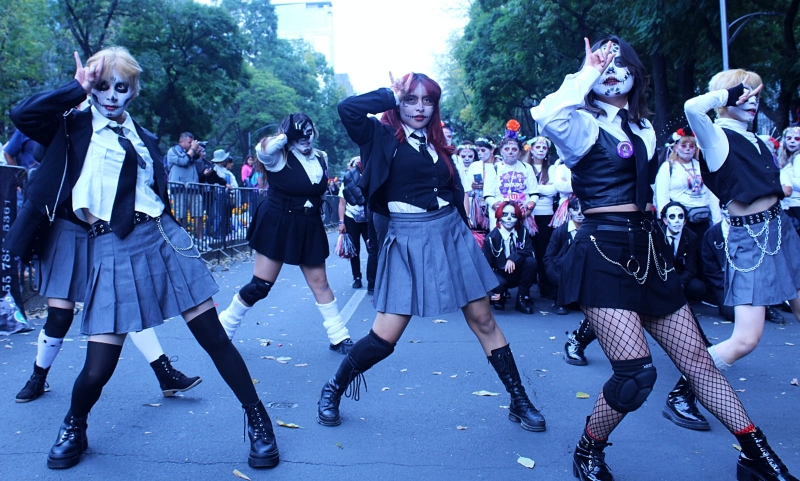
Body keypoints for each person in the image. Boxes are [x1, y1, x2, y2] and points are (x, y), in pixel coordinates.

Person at [533, 36, 796, 480]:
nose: (611, 70)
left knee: (697, 363)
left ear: (636, 75)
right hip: (602, 250)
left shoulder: (644, 129)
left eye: (621, 64)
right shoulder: (579, 126)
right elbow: (545, 113)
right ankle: (588, 450)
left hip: (649, 248)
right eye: (604, 63)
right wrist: (586, 71)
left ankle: (758, 456)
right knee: (636, 376)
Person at [6, 47, 279, 470]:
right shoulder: (71, 127)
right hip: (110, 243)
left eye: (121, 87)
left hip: (161, 236)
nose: (111, 96)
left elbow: (155, 190)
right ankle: (74, 424)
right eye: (102, 86)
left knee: (212, 336)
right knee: (99, 365)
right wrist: (74, 88)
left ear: (133, 90)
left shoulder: (143, 136)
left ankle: (259, 420)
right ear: (91, 88)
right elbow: (23, 116)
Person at [317, 72, 546, 434]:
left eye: (427, 100)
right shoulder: (379, 136)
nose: (420, 107)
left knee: (484, 321)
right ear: (399, 104)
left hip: (450, 233)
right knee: (385, 337)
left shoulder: (437, 143)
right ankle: (334, 388)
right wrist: (390, 95)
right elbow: (348, 108)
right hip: (407, 238)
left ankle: (519, 400)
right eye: (411, 100)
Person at [686, 68, 800, 377]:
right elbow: (692, 107)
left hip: (782, 230)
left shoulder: (757, 138)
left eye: (755, 96)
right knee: (746, 339)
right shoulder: (715, 136)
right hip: (750, 239)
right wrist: (731, 92)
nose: (752, 102)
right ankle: (687, 387)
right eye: (744, 94)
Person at [217, 113, 354, 354]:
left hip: (308, 223)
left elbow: (318, 190)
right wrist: (287, 133)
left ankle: (339, 336)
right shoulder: (277, 155)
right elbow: (263, 149)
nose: (305, 138)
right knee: (261, 285)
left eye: (308, 132)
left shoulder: (321, 157)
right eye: (299, 133)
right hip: (278, 222)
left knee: (320, 282)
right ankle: (223, 327)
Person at [654, 128, 721, 238]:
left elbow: (712, 195)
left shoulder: (702, 166)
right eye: (684, 146)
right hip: (680, 220)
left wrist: (717, 221)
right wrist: (666, 223)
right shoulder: (668, 167)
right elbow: (662, 196)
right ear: (676, 147)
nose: (687, 150)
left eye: (691, 146)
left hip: (704, 220)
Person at [482, 202, 536, 313]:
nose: (509, 218)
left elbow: (529, 251)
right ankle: (500, 296)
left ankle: (521, 299)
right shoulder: (491, 238)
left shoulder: (523, 232)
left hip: (517, 271)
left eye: (513, 215)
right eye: (505, 214)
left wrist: (513, 258)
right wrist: (489, 293)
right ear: (499, 216)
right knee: (500, 285)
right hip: (500, 274)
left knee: (531, 262)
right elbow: (484, 267)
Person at [483, 136, 539, 236]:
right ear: (501, 151)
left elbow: (534, 193)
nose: (510, 152)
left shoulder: (527, 167)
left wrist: (529, 208)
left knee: (522, 244)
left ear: (520, 152)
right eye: (506, 149)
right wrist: (501, 210)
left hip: (523, 215)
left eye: (514, 149)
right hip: (500, 216)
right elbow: (488, 195)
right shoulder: (494, 169)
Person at [526, 135, 558, 299]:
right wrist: (540, 189)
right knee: (526, 250)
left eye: (544, 148)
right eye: (537, 147)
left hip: (545, 214)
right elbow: (523, 190)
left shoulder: (551, 169)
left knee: (544, 251)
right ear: (531, 150)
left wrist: (532, 189)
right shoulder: (525, 167)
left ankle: (546, 286)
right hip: (526, 215)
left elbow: (553, 190)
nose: (540, 150)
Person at [545, 195, 583, 316]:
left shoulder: (590, 231)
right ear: (569, 212)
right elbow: (548, 257)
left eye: (583, 209)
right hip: (561, 268)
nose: (580, 213)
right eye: (576, 209)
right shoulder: (559, 232)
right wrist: (555, 275)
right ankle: (559, 301)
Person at [660, 201, 706, 301]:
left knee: (699, 287)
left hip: (680, 275)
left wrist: (679, 282)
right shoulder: (657, 234)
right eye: (672, 217)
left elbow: (691, 267)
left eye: (680, 217)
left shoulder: (691, 237)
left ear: (685, 221)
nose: (677, 221)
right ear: (665, 220)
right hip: (662, 275)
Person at [339, 156, 372, 290]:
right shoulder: (346, 181)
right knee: (354, 250)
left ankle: (373, 278)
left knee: (372, 248)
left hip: (368, 218)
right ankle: (356, 277)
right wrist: (341, 222)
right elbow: (342, 203)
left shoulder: (369, 178)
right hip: (351, 217)